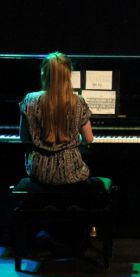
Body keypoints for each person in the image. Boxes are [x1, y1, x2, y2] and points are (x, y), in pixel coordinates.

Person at [19, 51, 96, 186]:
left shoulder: (29, 100)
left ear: (44, 73)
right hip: (71, 171)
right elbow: (89, 139)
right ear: (68, 74)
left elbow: (24, 138)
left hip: (39, 172)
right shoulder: (78, 101)